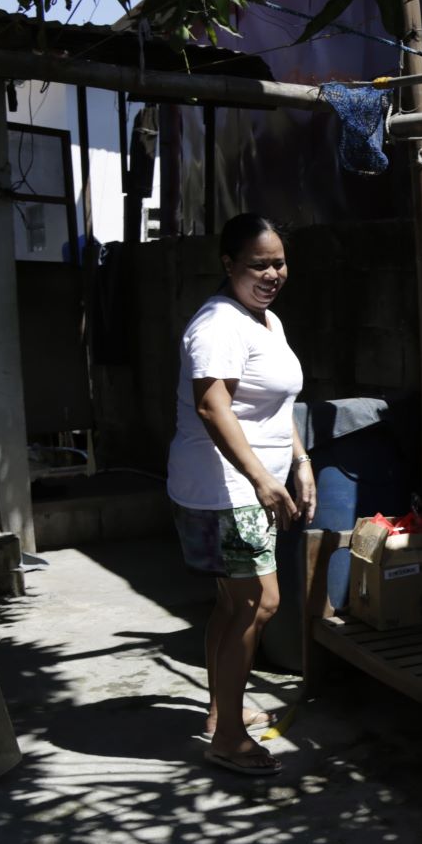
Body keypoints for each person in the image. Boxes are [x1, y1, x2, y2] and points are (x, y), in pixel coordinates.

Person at [167, 214, 314, 776]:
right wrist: (258, 477)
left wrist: (300, 462)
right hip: (227, 491)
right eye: (259, 264)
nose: (273, 272)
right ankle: (228, 737)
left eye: (278, 261)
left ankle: (217, 713)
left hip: (253, 486)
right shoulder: (218, 325)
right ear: (228, 265)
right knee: (260, 602)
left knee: (234, 604)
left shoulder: (265, 321)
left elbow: (273, 406)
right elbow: (213, 406)